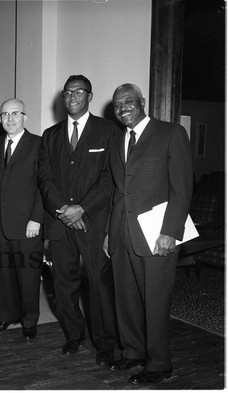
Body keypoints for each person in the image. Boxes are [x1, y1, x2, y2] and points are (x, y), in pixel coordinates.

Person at [104, 83, 193, 384]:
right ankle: (133, 352)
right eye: (117, 104)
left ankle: (159, 364)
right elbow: (119, 192)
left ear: (142, 102)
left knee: (155, 301)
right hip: (121, 233)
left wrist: (171, 232)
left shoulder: (171, 133)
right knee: (126, 298)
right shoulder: (118, 139)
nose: (122, 107)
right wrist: (108, 233)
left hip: (157, 235)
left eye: (128, 101)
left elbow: (182, 188)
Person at [37, 75, 118, 365]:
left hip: (93, 221)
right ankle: (74, 335)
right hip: (61, 222)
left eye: (79, 92)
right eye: (68, 92)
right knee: (63, 283)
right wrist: (64, 209)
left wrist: (81, 208)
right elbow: (44, 178)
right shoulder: (50, 134)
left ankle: (105, 343)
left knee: (99, 283)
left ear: (90, 96)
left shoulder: (109, 131)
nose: (72, 97)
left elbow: (111, 178)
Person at [0, 98, 44, 340]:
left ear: (25, 117)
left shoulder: (39, 145)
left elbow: (44, 187)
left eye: (15, 113)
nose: (9, 119)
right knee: (3, 273)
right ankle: (6, 316)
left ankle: (29, 320)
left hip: (27, 224)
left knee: (28, 274)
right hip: (0, 224)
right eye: (4, 115)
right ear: (0, 119)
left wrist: (37, 219)